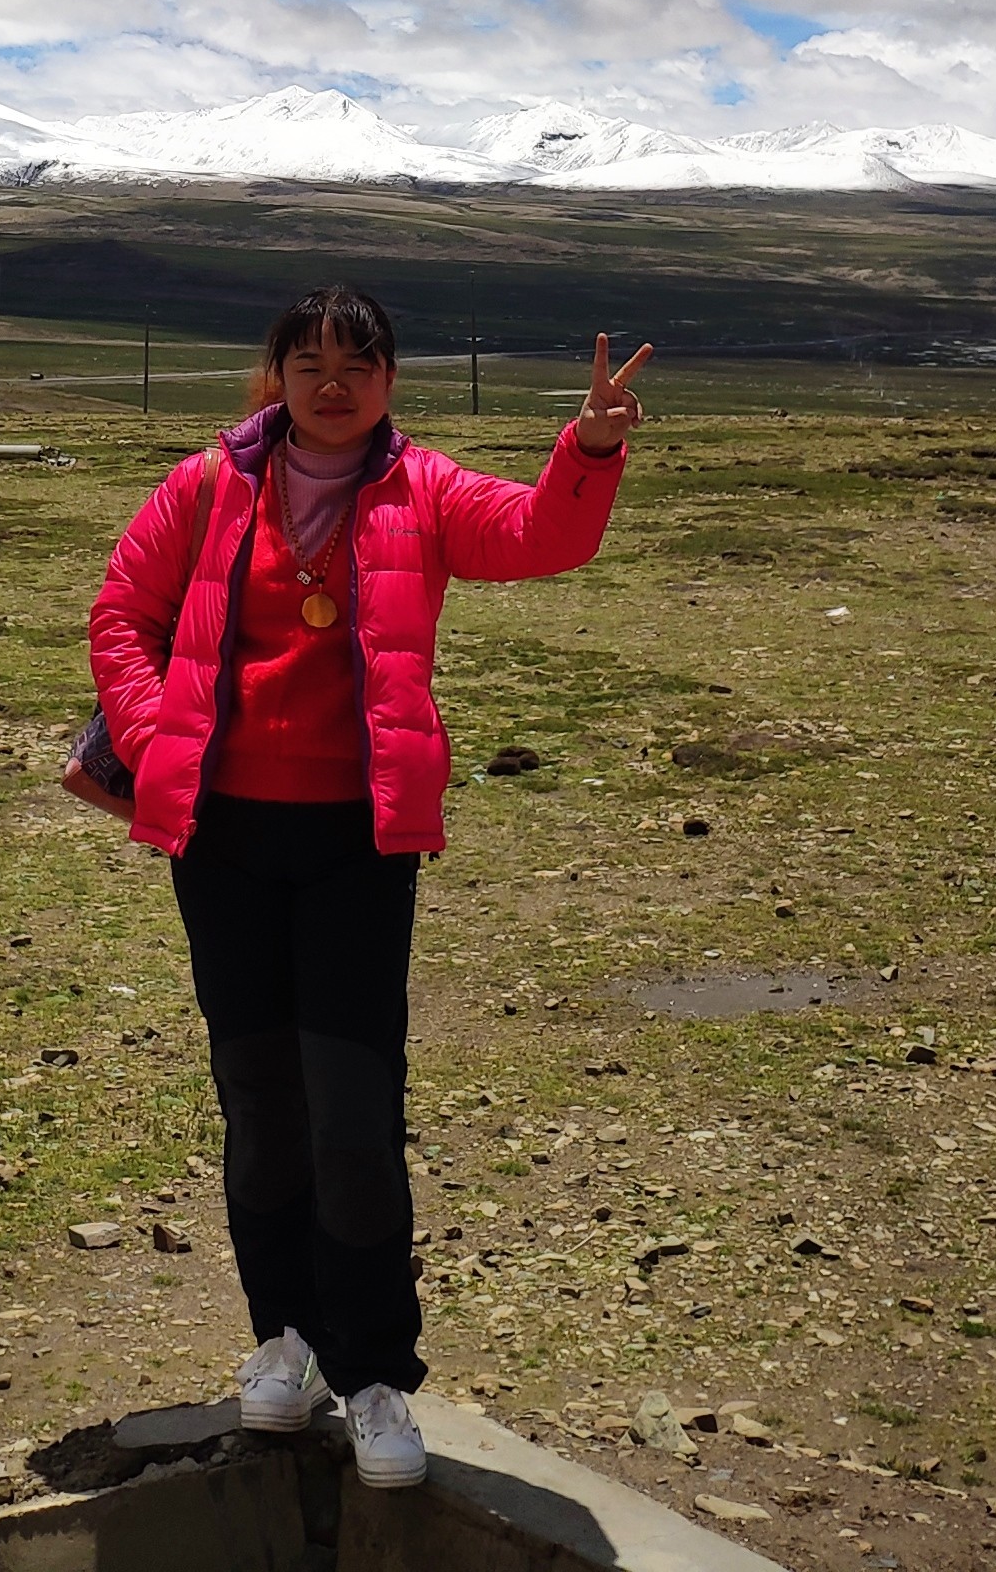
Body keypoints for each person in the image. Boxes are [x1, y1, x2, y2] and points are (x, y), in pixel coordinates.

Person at [88, 287, 650, 1490]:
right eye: (309, 361)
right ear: (277, 375)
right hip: (223, 838)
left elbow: (541, 537)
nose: (332, 382)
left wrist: (587, 449)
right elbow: (123, 612)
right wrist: (156, 733)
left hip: (356, 842)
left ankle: (377, 1371)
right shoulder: (206, 484)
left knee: (352, 1113)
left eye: (357, 361)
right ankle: (279, 1343)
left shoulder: (427, 489)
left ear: (391, 379)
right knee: (259, 1102)